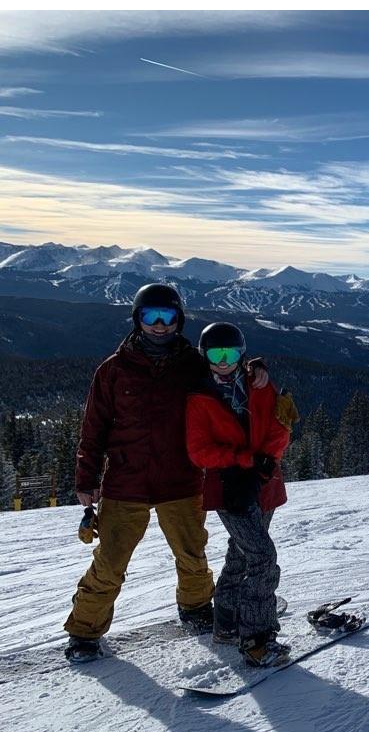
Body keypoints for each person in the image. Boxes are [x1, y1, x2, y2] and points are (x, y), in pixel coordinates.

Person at [64, 283, 269, 664]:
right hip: (126, 483)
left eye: (168, 317)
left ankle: (194, 608)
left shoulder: (192, 364)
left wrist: (256, 368)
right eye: (150, 317)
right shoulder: (113, 371)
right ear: (137, 320)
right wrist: (86, 480)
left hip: (181, 480)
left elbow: (229, 372)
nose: (159, 325)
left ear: (179, 320)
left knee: (192, 554)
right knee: (110, 561)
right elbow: (93, 430)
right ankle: (84, 631)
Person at [185, 322, 291, 667]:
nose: (224, 361)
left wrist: (267, 461)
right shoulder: (199, 396)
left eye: (231, 354)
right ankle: (257, 638)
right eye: (216, 354)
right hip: (231, 487)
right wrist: (245, 459)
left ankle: (227, 622)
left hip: (264, 482)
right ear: (204, 355)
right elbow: (199, 451)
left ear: (242, 354)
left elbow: (281, 425)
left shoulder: (259, 383)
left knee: (241, 553)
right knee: (261, 555)